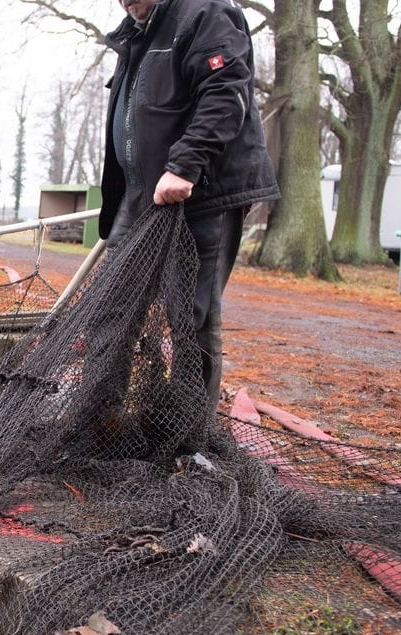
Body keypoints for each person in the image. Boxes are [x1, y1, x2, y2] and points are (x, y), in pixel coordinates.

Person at [98, 0, 279, 414]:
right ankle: (100, 414)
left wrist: (184, 165)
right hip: (140, 193)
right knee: (110, 306)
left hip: (202, 193)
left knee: (190, 317)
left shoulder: (206, 12)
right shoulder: (136, 35)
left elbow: (226, 90)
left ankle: (188, 430)